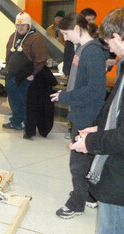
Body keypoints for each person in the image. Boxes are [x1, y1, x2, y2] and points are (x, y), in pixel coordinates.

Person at [71, 8, 124, 233]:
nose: (109, 49)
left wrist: (91, 142)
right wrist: (99, 128)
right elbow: (117, 112)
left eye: (109, 42)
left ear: (118, 37)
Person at [50, 12, 106, 219]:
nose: (65, 38)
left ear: (77, 29)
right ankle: (89, 195)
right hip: (81, 112)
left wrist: (66, 97)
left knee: (78, 163)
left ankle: (76, 204)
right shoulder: (82, 49)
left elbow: (95, 91)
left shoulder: (92, 52)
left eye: (66, 33)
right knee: (87, 160)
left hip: (87, 116)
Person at [2, 11, 47, 135]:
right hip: (11, 76)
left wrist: (33, 74)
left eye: (23, 25)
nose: (20, 27)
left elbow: (41, 58)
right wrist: (7, 69)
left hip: (26, 78)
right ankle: (16, 122)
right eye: (18, 25)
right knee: (14, 101)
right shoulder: (13, 36)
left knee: (25, 102)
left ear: (29, 26)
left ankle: (28, 124)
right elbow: (8, 54)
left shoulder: (36, 38)